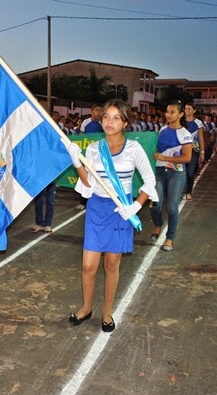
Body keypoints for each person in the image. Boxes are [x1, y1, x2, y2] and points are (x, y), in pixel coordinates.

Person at [66, 100, 157, 332]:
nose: (109, 122)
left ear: (125, 122)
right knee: (88, 266)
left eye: (116, 117)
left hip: (121, 210)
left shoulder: (134, 149)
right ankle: (86, 308)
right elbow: (87, 182)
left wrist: (135, 207)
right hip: (97, 208)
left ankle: (107, 312)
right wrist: (77, 162)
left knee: (112, 263)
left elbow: (150, 181)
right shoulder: (95, 149)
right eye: (106, 116)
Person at [150, 101, 193, 251]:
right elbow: (154, 150)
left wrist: (164, 158)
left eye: (172, 112)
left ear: (181, 114)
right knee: (155, 204)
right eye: (167, 111)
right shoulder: (161, 130)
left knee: (172, 207)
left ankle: (170, 238)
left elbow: (187, 158)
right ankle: (158, 225)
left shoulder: (185, 134)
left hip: (177, 173)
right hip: (160, 172)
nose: (168, 115)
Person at [183, 103, 205, 200]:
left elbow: (201, 138)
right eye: (185, 109)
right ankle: (181, 190)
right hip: (181, 151)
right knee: (181, 172)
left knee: (190, 172)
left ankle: (189, 192)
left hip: (194, 151)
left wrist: (202, 152)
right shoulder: (181, 121)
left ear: (194, 110)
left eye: (189, 109)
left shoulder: (198, 122)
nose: (187, 110)